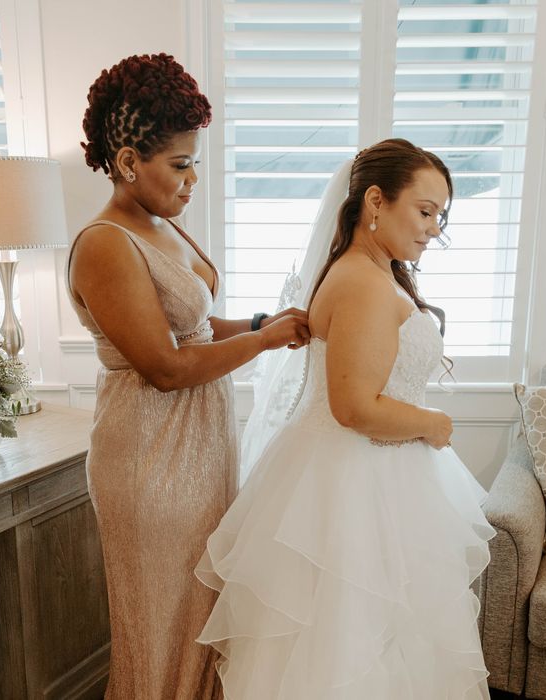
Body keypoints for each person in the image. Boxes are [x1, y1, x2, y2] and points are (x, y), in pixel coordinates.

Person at [196, 138, 496, 698]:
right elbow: (355, 407)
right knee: (352, 645)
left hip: (367, 478)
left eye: (440, 217)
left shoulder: (369, 271)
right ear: (376, 202)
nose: (434, 229)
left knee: (378, 644)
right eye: (425, 211)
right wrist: (433, 423)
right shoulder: (361, 281)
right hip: (354, 485)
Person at [66, 53, 310, 700]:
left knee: (200, 611)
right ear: (125, 163)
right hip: (149, 456)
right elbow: (167, 367)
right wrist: (264, 341)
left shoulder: (160, 223)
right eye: (179, 164)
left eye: (194, 160)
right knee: (161, 620)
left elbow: (195, 332)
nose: (193, 178)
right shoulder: (104, 244)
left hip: (202, 448)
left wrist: (261, 319)